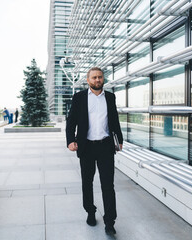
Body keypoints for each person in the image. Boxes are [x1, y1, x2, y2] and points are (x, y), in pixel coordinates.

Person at [66, 67, 123, 235]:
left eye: (100, 77)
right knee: (87, 182)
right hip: (86, 147)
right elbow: (71, 122)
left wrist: (119, 140)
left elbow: (114, 120)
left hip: (105, 146)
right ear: (88, 79)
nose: (97, 80)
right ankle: (90, 211)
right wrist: (70, 140)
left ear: (103, 79)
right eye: (94, 77)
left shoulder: (110, 97)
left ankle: (110, 221)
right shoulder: (79, 97)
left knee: (108, 185)